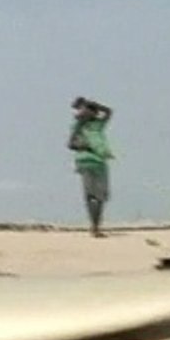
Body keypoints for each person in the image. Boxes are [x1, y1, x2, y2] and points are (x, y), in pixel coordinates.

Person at [68, 97, 113, 238]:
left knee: (100, 197)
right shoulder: (77, 126)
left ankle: (96, 225)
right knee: (90, 196)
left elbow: (109, 112)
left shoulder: (97, 125)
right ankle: (94, 226)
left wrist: (93, 104)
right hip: (86, 161)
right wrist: (86, 146)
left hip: (99, 162)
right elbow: (70, 144)